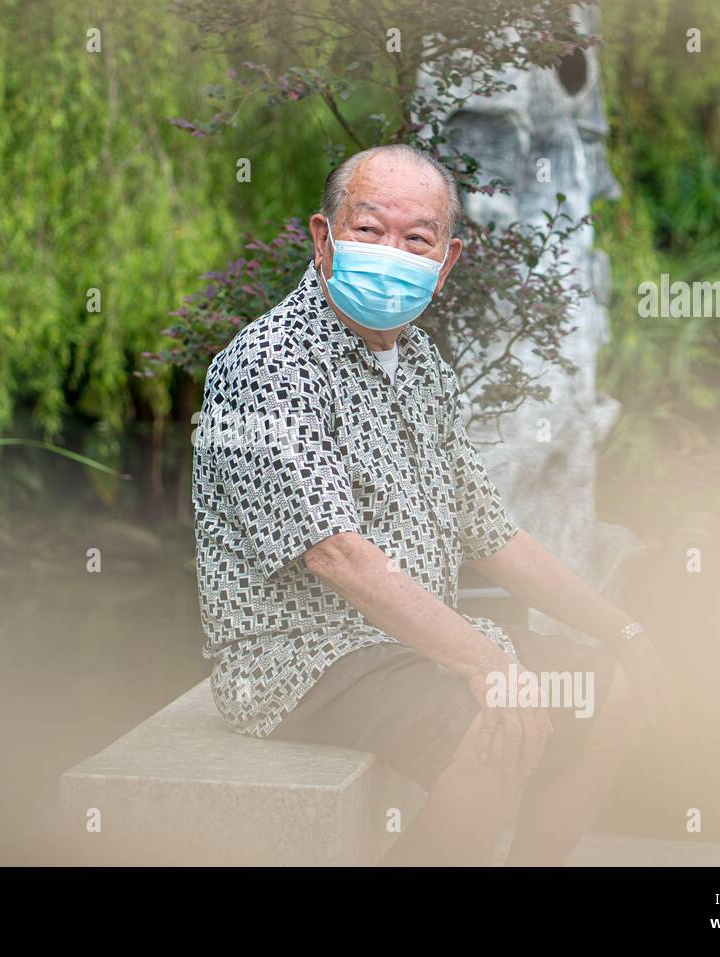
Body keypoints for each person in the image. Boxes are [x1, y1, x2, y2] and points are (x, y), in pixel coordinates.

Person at [192, 143, 677, 866]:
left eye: (416, 238)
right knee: (490, 730)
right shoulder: (269, 364)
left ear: (447, 261)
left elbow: (493, 532)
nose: (392, 251)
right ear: (324, 237)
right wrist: (487, 662)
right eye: (369, 228)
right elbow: (336, 553)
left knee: (612, 694)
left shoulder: (420, 362)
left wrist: (628, 633)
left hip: (403, 648)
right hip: (300, 660)